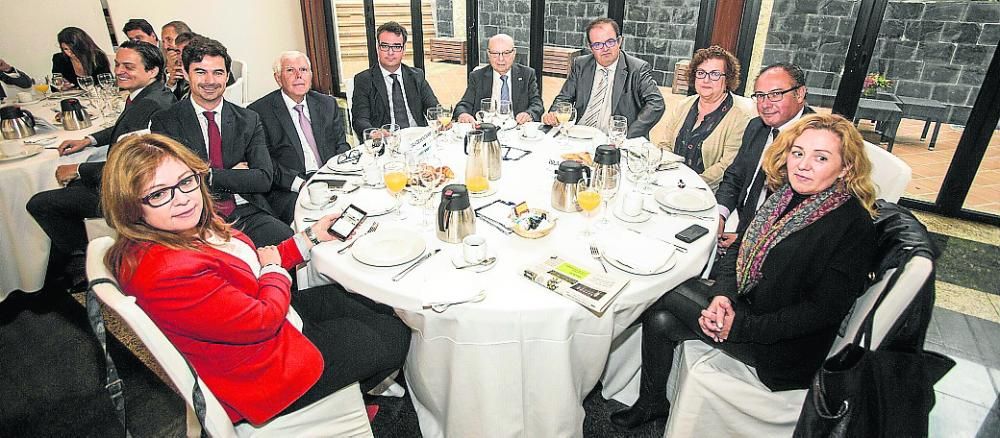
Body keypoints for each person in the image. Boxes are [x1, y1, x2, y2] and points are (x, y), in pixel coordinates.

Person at [100, 133, 410, 426]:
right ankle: (331, 399)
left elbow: (247, 265)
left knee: (370, 304)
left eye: (185, 181)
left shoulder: (180, 230)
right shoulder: (165, 273)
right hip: (264, 370)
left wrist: (309, 238)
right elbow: (262, 318)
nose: (181, 198)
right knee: (395, 335)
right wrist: (275, 271)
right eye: (157, 194)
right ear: (130, 207)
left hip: (264, 322)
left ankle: (344, 390)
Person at [610, 113, 878, 429]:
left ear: (846, 167)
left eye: (821, 158)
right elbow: (739, 249)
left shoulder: (853, 226)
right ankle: (652, 402)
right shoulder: (786, 196)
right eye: (798, 153)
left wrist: (740, 328)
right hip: (749, 305)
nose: (803, 165)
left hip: (783, 348)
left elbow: (821, 313)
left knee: (662, 291)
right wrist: (723, 294)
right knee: (661, 319)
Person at [27, 40, 175, 288]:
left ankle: (87, 262)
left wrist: (78, 169)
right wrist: (89, 139)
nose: (118, 71)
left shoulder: (149, 105)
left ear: (152, 71)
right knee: (67, 192)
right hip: (122, 175)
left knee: (41, 203)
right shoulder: (149, 95)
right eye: (118, 64)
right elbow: (122, 129)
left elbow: (133, 168)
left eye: (128, 66)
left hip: (129, 192)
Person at [150, 37, 292, 247]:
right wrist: (232, 174)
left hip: (244, 211)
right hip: (194, 218)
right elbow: (173, 183)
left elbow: (262, 179)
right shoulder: (166, 122)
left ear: (227, 77)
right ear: (187, 75)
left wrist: (203, 174)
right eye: (200, 72)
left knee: (287, 243)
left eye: (218, 73)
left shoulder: (248, 119)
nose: (210, 81)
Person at [715, 63, 814, 249]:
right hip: (738, 220)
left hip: (774, 245)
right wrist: (719, 216)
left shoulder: (814, 141)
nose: (765, 104)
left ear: (799, 94)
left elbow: (802, 215)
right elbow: (734, 177)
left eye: (775, 94)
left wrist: (746, 241)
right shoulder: (756, 127)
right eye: (760, 96)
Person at [249, 51, 351, 224]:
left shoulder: (327, 104)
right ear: (278, 78)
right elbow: (264, 163)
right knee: (317, 223)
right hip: (289, 188)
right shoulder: (259, 112)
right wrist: (301, 185)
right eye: (290, 70)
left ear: (310, 75)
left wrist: (336, 173)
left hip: (329, 177)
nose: (298, 76)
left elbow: (341, 144)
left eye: (303, 70)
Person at [542, 17, 664, 138]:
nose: (605, 48)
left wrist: (626, 135)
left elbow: (656, 104)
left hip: (613, 140)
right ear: (591, 47)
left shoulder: (637, 69)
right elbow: (564, 98)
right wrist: (554, 114)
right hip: (579, 134)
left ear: (619, 41)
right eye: (597, 45)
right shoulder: (580, 64)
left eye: (610, 42)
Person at [659, 46, 755, 191]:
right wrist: (669, 178)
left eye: (715, 74)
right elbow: (665, 144)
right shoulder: (683, 105)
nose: (706, 79)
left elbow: (726, 166)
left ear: (727, 79)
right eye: (701, 73)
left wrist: (689, 185)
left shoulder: (741, 116)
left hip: (708, 193)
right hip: (671, 184)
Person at [351, 21, 439, 140]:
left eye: (396, 46)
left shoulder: (416, 76)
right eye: (385, 46)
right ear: (378, 48)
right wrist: (374, 133)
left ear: (403, 49)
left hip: (417, 139)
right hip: (386, 141)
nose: (390, 52)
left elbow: (433, 107)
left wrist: (440, 119)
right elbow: (360, 119)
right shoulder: (364, 80)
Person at [454, 33, 543, 124]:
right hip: (487, 129)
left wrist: (528, 114)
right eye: (495, 53)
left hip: (517, 129)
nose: (501, 59)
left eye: (506, 53)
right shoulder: (477, 76)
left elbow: (537, 104)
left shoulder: (527, 74)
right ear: (488, 54)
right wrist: (463, 114)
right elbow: (464, 104)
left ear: (514, 53)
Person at [161, 22, 193, 99]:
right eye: (163, 42)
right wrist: (171, 81)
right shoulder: (163, 63)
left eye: (169, 39)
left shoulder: (201, 61)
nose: (165, 46)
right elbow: (163, 98)